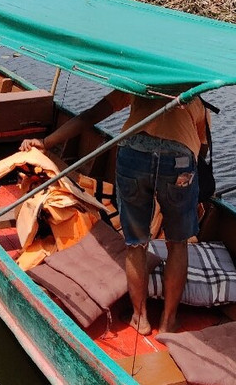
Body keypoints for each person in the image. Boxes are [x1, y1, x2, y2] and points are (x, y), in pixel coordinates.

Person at [20, 88, 208, 335]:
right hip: (179, 164)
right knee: (178, 243)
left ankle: (140, 318)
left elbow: (90, 116)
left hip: (133, 157)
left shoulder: (138, 81)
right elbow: (201, 151)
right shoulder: (196, 93)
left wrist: (46, 143)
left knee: (136, 243)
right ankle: (168, 322)